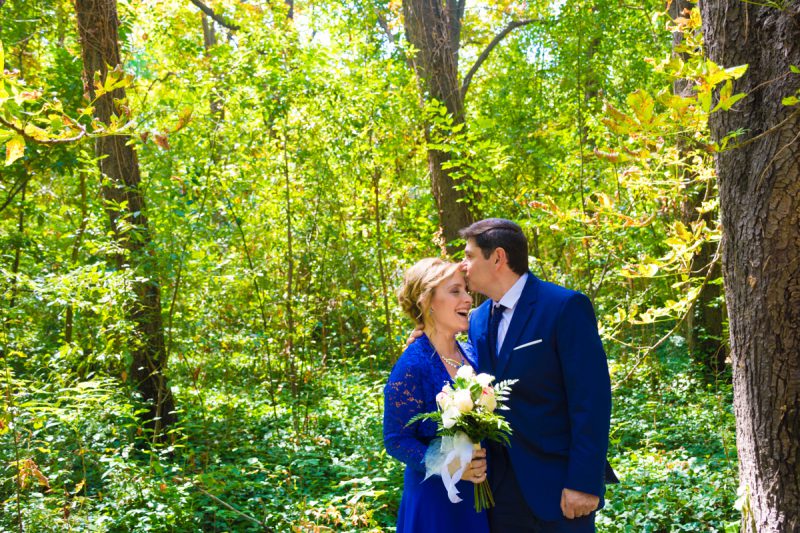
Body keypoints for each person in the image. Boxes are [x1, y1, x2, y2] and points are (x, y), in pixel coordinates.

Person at [460, 218, 613, 532]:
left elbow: (591, 401)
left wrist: (583, 483)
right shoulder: (476, 321)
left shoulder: (564, 307)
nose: (463, 265)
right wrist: (426, 337)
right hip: (498, 494)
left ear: (498, 257)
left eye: (469, 256)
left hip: (559, 489)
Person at [383, 258, 490, 532]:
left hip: (477, 498)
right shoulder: (412, 365)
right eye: (455, 291)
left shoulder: (473, 353)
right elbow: (396, 440)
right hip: (434, 501)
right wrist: (449, 464)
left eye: (466, 289)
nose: (467, 299)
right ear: (427, 301)